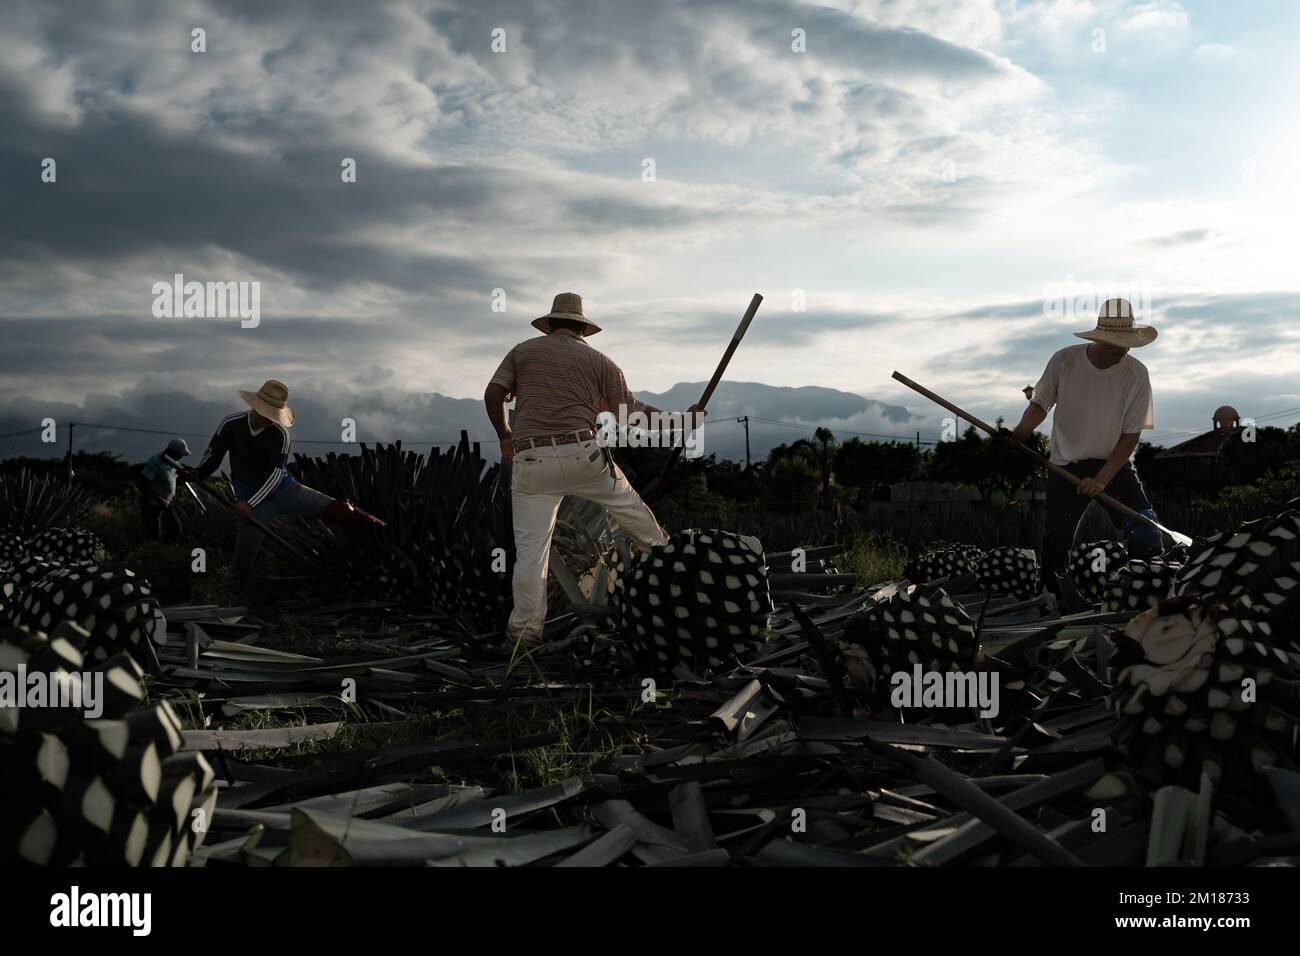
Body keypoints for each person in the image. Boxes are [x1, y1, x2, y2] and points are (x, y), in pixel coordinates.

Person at [484, 292, 704, 649]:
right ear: (583, 328)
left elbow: (493, 395)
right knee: (638, 520)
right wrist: (683, 420)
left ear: (550, 324)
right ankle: (677, 586)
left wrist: (505, 436)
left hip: (531, 462)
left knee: (531, 555)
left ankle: (524, 637)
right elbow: (631, 414)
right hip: (582, 455)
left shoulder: (521, 352)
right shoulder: (600, 362)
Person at [1005, 298, 1164, 598]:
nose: (1123, 349)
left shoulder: (1136, 375)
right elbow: (1040, 404)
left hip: (1113, 465)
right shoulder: (1064, 361)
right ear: (1099, 338)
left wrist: (1102, 479)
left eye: (1127, 342)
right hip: (1065, 464)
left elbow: (1130, 436)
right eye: (1117, 342)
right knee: (1056, 543)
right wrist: (1020, 434)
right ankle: (1052, 601)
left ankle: (1144, 596)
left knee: (1145, 528)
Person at [185, 379, 383, 591]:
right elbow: (213, 456)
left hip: (285, 490)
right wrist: (199, 473)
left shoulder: (280, 435)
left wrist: (249, 503)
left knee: (341, 510)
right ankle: (230, 598)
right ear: (256, 407)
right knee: (243, 559)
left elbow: (275, 475)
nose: (272, 420)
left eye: (274, 416)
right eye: (268, 414)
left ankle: (381, 530)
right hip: (250, 499)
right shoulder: (231, 424)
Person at [137, 438, 191, 542]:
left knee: (175, 531)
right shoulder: (155, 462)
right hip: (152, 505)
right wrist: (159, 499)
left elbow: (175, 477)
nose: (181, 457)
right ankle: (153, 553)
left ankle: (164, 550)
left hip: (167, 504)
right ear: (174, 452)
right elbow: (141, 485)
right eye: (180, 454)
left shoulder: (174, 463)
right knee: (153, 536)